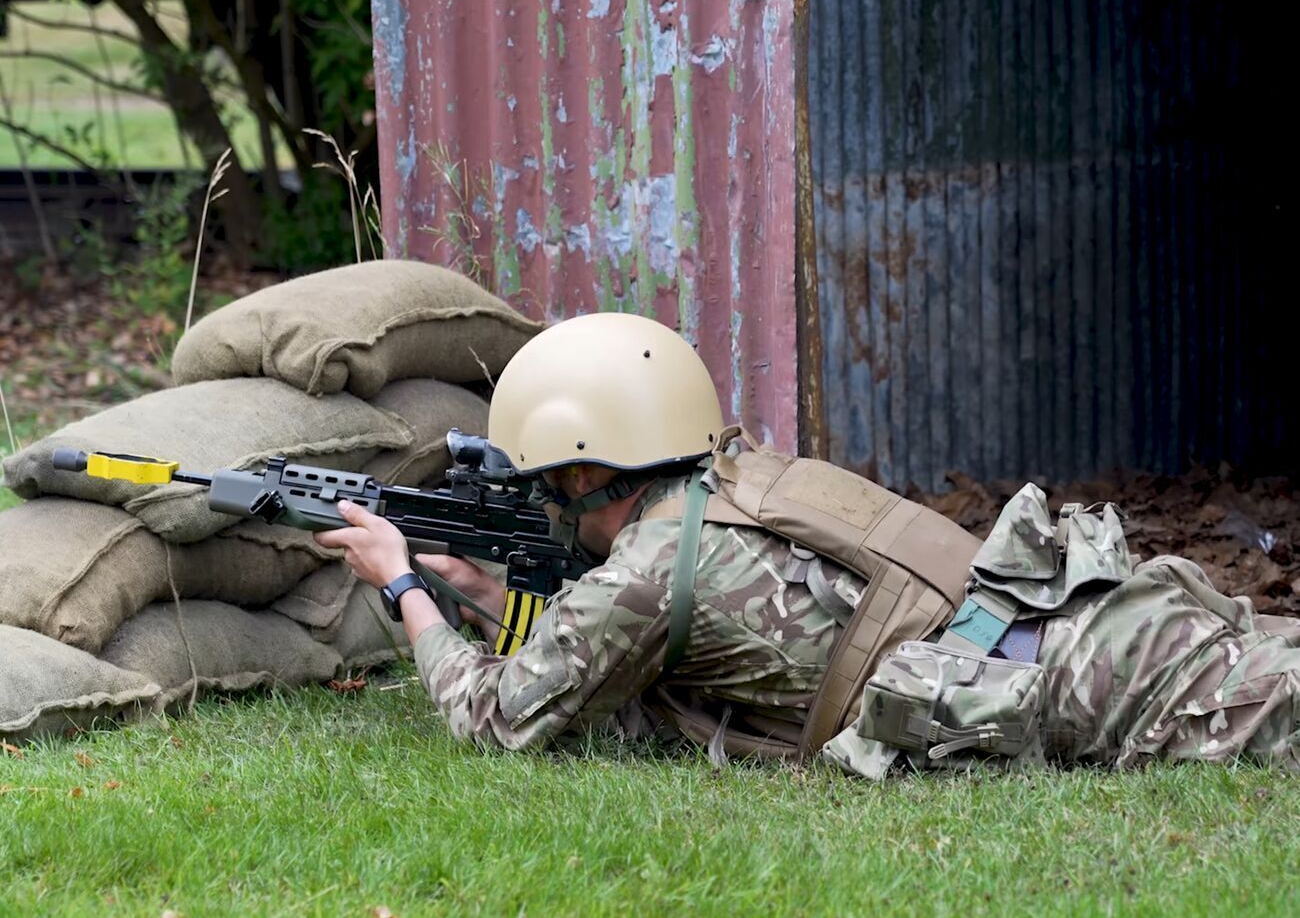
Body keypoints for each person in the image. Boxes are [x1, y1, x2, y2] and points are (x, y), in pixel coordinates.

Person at [316, 313, 1300, 776]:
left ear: (580, 473)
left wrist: (401, 586)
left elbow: (499, 721)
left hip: (1092, 682)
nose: (542, 510)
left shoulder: (649, 571)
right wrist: (476, 591)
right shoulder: (735, 477)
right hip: (1094, 624)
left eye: (544, 488)